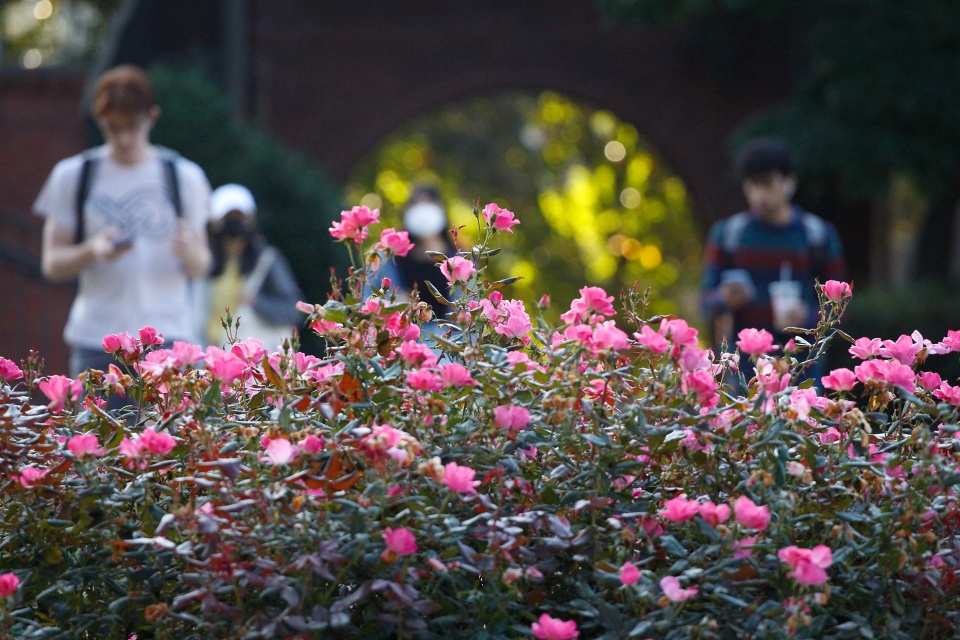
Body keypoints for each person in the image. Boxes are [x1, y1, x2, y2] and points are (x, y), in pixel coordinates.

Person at [35, 65, 212, 378]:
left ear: (152, 117)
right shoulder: (74, 175)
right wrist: (92, 250)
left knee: (169, 428)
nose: (124, 138)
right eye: (113, 128)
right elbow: (52, 263)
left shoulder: (184, 177)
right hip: (98, 340)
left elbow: (202, 266)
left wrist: (190, 252)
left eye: (132, 126)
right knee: (98, 429)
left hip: (169, 336)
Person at [701, 138, 846, 379]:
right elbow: (705, 303)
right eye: (752, 184)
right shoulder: (728, 235)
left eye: (767, 183)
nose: (759, 193)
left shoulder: (817, 236)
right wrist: (723, 299)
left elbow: (840, 309)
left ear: (789, 183)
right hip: (744, 370)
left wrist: (807, 317)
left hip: (802, 367)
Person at [205, 183, 304, 348]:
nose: (234, 229)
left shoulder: (266, 261)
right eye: (228, 220)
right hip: (210, 356)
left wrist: (257, 302)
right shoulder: (204, 262)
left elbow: (293, 311)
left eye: (239, 219)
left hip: (250, 360)